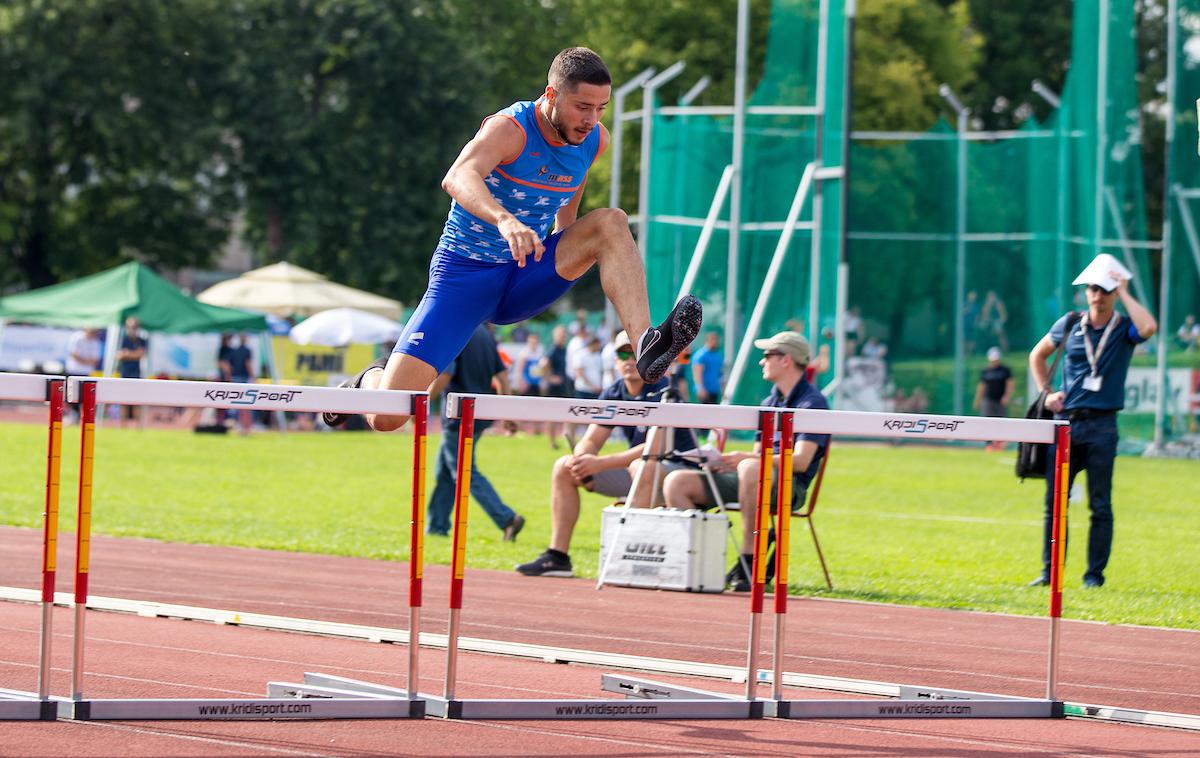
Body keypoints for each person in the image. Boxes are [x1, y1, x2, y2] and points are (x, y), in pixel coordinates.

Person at [322, 47, 701, 432]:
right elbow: (458, 176)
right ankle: (366, 381)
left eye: (601, 108)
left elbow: (572, 189)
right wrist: (505, 220)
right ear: (551, 95)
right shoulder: (510, 129)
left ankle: (645, 345)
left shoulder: (593, 140)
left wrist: (566, 248)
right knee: (387, 416)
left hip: (524, 273)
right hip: (465, 277)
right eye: (582, 107)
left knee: (611, 222)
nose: (591, 120)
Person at [515, 330, 698, 577]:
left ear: (650, 357)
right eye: (623, 353)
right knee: (564, 466)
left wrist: (599, 464)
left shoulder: (664, 390)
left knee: (643, 467)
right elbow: (591, 439)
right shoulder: (615, 391)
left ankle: (629, 560)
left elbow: (656, 449)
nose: (629, 360)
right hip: (639, 471)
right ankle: (557, 556)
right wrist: (581, 457)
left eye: (636, 353)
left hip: (675, 472)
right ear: (614, 360)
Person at [662, 331, 829, 592]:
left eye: (767, 355)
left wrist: (745, 460)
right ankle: (702, 565)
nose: (762, 362)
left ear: (786, 360)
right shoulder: (769, 402)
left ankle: (750, 557)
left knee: (751, 467)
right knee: (677, 482)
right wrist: (725, 462)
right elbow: (757, 453)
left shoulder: (813, 403)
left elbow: (800, 462)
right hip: (756, 478)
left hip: (789, 485)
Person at [1027, 253, 1156, 589]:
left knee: (1100, 504)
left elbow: (1148, 328)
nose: (1097, 294)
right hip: (1066, 424)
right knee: (1055, 502)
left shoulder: (1124, 328)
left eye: (1104, 289)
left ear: (1113, 293)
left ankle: (1093, 577)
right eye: (1092, 288)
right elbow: (1037, 355)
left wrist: (1126, 291)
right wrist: (1047, 392)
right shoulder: (1069, 324)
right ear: (1086, 292)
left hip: (1102, 426)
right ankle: (1049, 572)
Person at [426, 324, 525, 541]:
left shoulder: (454, 331)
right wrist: (506, 411)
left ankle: (506, 518)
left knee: (463, 472)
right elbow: (502, 377)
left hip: (458, 415)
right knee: (444, 471)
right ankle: (437, 527)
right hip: (480, 414)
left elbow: (444, 377)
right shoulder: (485, 335)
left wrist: (421, 403)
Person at [973, 346, 1013, 451]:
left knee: (1001, 422)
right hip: (988, 400)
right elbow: (982, 386)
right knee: (987, 422)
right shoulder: (985, 371)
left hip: (1000, 400)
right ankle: (989, 445)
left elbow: (1010, 384)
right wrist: (977, 400)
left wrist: (1007, 396)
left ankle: (1000, 444)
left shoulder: (1005, 370)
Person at [539, 325, 572, 449]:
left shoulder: (564, 349)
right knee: (552, 416)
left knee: (567, 413)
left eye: (564, 335)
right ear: (555, 336)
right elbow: (543, 364)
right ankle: (552, 443)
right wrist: (549, 378)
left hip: (564, 386)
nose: (563, 337)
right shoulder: (552, 349)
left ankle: (567, 439)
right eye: (561, 335)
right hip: (554, 388)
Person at [219, 333, 255, 435]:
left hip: (235, 378)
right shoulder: (247, 350)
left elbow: (225, 363)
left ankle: (236, 426)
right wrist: (253, 377)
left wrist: (228, 375)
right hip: (243, 378)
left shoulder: (233, 350)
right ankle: (245, 428)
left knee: (235, 404)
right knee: (246, 404)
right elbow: (248, 364)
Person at [65, 327, 103, 421]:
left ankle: (82, 416)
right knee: (70, 395)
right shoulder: (77, 337)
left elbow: (95, 360)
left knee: (84, 396)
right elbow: (73, 354)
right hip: (73, 370)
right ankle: (73, 414)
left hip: (86, 372)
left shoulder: (96, 342)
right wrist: (86, 361)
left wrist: (82, 360)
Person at [115, 316, 146, 427]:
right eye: (130, 327)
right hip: (125, 373)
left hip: (136, 373)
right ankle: (123, 426)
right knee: (123, 401)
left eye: (135, 327)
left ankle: (138, 426)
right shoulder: (122, 340)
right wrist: (133, 354)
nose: (132, 329)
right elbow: (118, 355)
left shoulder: (141, 341)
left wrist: (127, 354)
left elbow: (141, 354)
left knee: (137, 401)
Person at [691, 331, 724, 403]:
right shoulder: (700, 355)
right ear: (708, 341)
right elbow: (697, 372)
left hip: (715, 390)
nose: (715, 342)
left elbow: (720, 373)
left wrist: (723, 387)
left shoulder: (718, 355)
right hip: (704, 392)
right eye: (713, 340)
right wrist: (700, 388)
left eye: (716, 340)